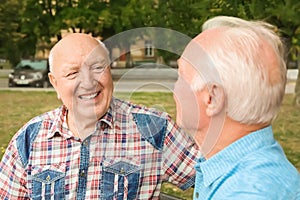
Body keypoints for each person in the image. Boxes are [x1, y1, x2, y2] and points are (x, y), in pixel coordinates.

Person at [0, 33, 201, 199]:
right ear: (55, 83)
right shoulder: (28, 140)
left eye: (97, 67)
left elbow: (218, 179)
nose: (88, 82)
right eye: (72, 73)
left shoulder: (154, 129)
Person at [173, 16, 300, 199]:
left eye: (181, 76)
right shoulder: (252, 170)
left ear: (213, 98)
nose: (175, 89)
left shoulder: (245, 193)